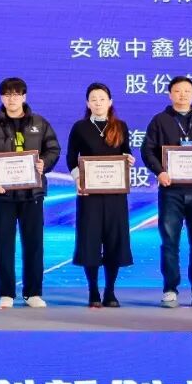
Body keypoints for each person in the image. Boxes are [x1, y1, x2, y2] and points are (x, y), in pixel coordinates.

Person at [0, 77, 60, 309]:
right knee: (3, 244)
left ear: (24, 96)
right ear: (1, 98)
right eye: (7, 95)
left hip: (32, 193)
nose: (11, 99)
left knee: (34, 244)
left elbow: (53, 148)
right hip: (2, 194)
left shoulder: (39, 123)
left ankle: (33, 292)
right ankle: (6, 293)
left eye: (16, 94)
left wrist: (45, 163)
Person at [142, 75, 192, 309]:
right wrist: (159, 172)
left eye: (187, 91)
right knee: (170, 243)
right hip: (171, 191)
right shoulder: (160, 120)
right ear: (170, 94)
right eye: (177, 91)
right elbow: (147, 150)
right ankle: (170, 290)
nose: (183, 95)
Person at [65, 83, 134, 308]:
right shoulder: (80, 127)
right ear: (87, 103)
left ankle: (110, 291)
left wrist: (129, 160)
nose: (98, 103)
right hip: (89, 195)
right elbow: (71, 158)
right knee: (90, 241)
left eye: (102, 99)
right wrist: (79, 179)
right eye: (93, 99)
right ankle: (93, 290)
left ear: (110, 102)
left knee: (114, 240)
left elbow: (127, 153)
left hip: (115, 194)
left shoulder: (120, 126)